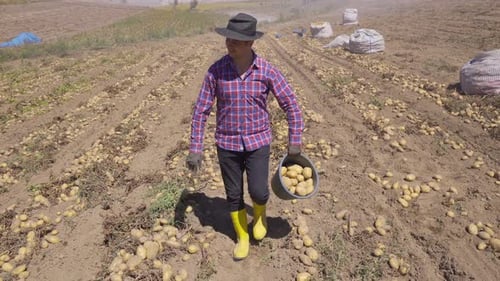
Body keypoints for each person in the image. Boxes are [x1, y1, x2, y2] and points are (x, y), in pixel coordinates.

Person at [186, 13, 304, 260]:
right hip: (227, 144)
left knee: (259, 191)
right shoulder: (215, 71)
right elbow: (201, 110)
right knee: (233, 195)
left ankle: (259, 217)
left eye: (237, 40)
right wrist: (195, 147)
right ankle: (242, 236)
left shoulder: (267, 71)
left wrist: (295, 141)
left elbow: (290, 103)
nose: (230, 43)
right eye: (229, 38)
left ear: (250, 43)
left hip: (258, 142)